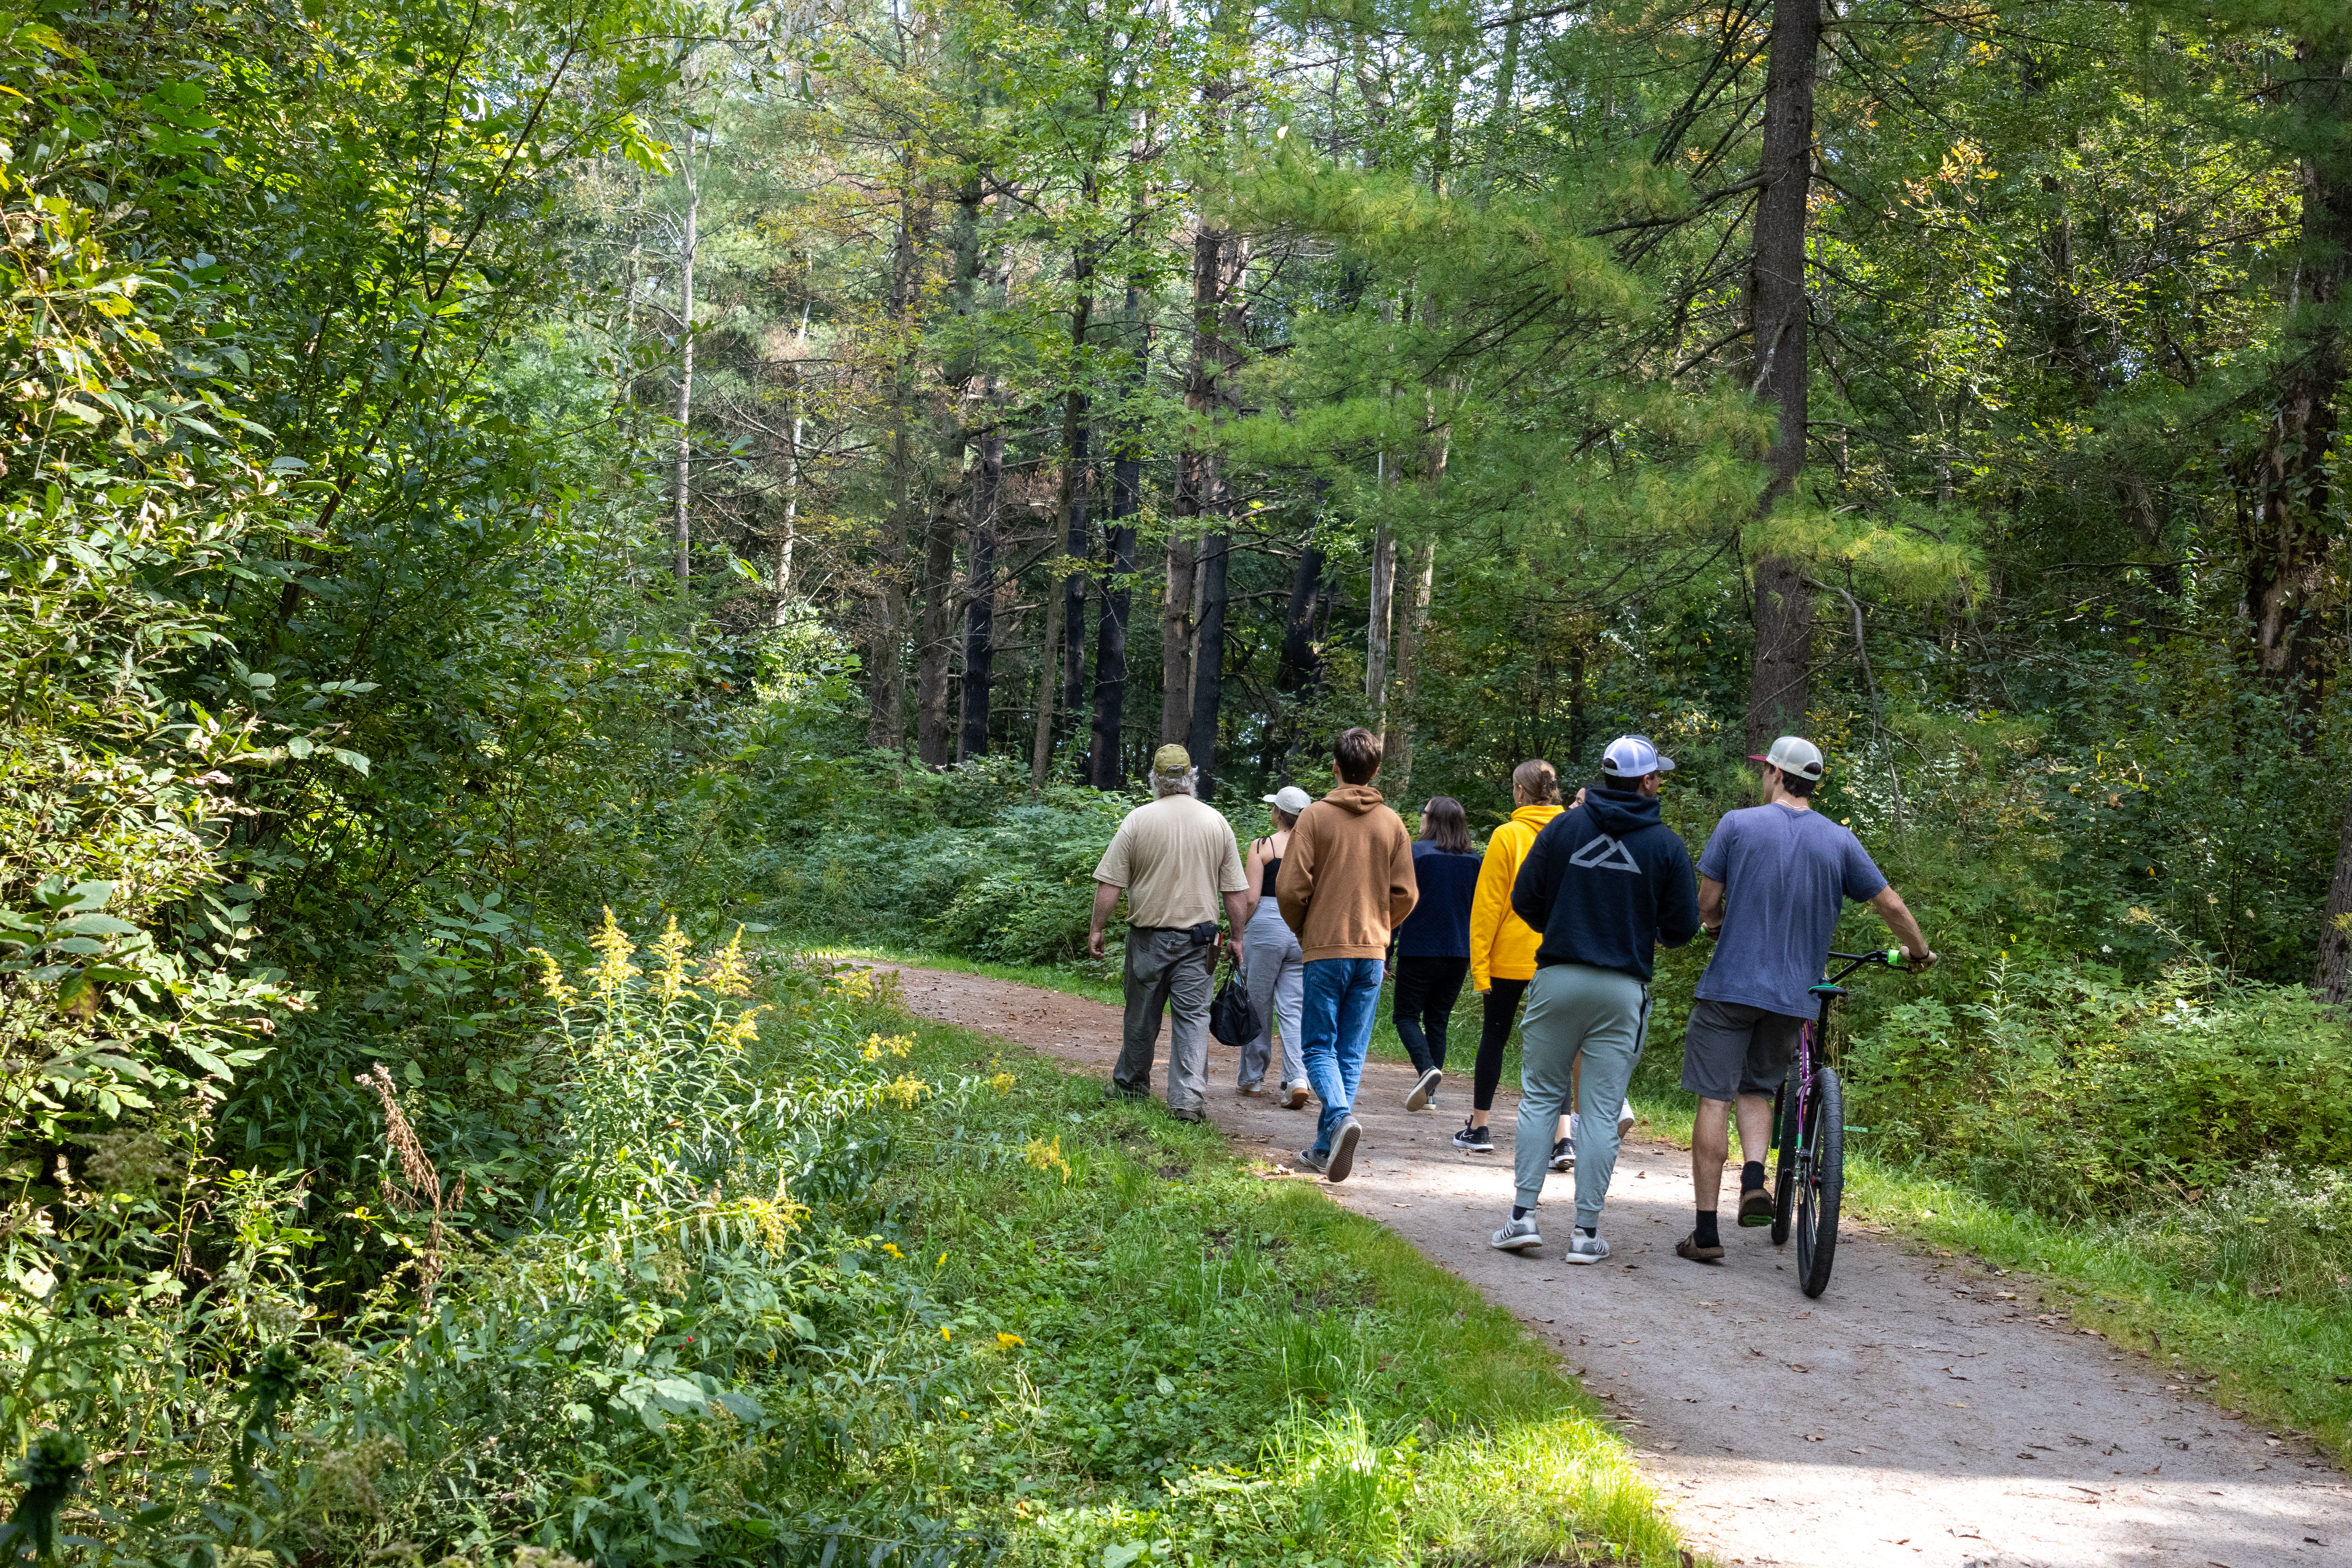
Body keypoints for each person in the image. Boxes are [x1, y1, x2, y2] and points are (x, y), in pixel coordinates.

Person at [1676, 735, 1936, 1263]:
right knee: (1760, 1088)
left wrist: (1716, 924)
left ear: (1774, 773)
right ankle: (1754, 1175)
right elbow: (1889, 903)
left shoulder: (1737, 825)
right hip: (1795, 997)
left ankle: (1706, 1234)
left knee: (1714, 1098)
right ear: (1813, 783)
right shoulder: (1839, 842)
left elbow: (1706, 905)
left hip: (1730, 987)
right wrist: (1919, 951)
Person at [1489, 736, 1699, 1262]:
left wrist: (1562, 928)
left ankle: (1522, 1219)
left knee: (1540, 1097)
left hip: (1558, 975)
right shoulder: (1665, 846)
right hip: (1623, 988)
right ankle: (1585, 1235)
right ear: (1647, 782)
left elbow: (1524, 898)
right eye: (1659, 777)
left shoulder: (1565, 827)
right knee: (1602, 1113)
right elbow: (1682, 929)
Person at [1276, 728, 1417, 1182]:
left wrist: (1306, 927)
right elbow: (1407, 894)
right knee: (1350, 1052)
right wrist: (1381, 926)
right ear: (1376, 771)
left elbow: (1292, 887)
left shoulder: (1314, 818)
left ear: (1334, 767)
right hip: (1372, 951)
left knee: (1317, 1046)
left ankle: (1338, 1119)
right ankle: (1323, 1148)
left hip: (1325, 947)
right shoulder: (1392, 823)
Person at [1088, 744, 1252, 1123]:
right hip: (1201, 941)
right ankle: (1187, 1103)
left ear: (1156, 780)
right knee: (1193, 1018)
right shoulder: (1216, 822)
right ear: (1191, 778)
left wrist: (1097, 928)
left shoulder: (1137, 820)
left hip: (1148, 938)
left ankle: (1131, 1087)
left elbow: (1110, 883)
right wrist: (1238, 938)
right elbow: (1235, 893)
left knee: (1142, 1015)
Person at [1458, 760, 1567, 1156]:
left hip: (1509, 955)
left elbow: (1487, 907)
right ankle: (1562, 1139)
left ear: (1520, 793)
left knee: (1495, 1037)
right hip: (1558, 955)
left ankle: (1480, 1127)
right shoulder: (1572, 833)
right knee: (1558, 1048)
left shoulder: (1508, 836)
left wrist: (1480, 967)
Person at [1390, 796, 1481, 1111]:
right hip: (1459, 952)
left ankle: (1427, 1070)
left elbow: (1399, 903)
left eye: (1424, 813)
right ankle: (1429, 1094)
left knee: (1405, 1015)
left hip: (1419, 949)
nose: (1421, 818)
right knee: (1438, 1020)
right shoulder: (1475, 861)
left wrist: (1387, 948)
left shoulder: (1415, 855)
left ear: (1434, 819)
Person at [1237, 785, 1314, 1106]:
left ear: (1279, 813)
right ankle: (1297, 1078)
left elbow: (1251, 897)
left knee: (1257, 1003)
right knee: (1293, 1009)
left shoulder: (1262, 846)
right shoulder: (1315, 850)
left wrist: (1239, 933)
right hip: (1301, 928)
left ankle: (1253, 1080)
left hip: (1266, 924)